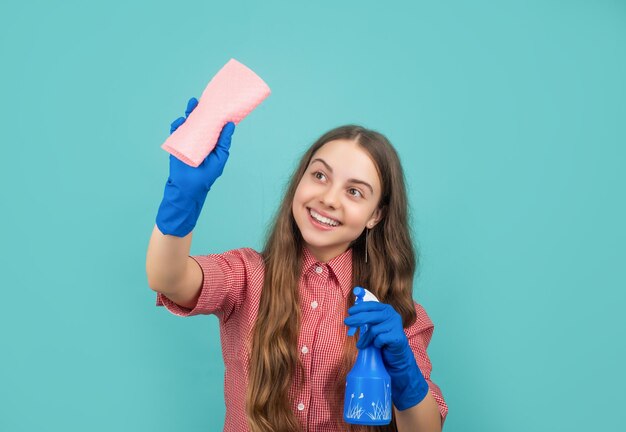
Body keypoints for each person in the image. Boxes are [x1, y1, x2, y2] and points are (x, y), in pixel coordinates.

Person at [146, 97, 448, 432]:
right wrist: (182, 198)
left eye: (354, 192)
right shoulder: (246, 276)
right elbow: (168, 278)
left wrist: (403, 367)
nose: (329, 198)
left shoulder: (395, 317)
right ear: (299, 182)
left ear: (375, 215)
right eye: (319, 175)